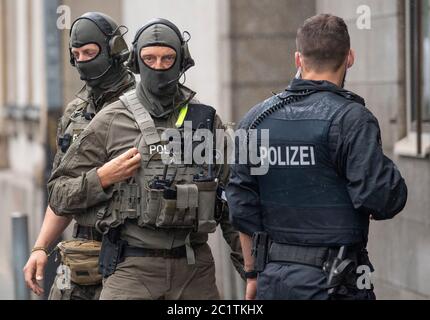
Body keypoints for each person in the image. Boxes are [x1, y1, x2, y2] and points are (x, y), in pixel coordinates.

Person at [47, 18, 243, 300]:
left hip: (194, 268)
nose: (159, 67)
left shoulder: (205, 121)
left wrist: (249, 271)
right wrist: (102, 178)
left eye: (168, 58)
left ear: (182, 61)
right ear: (137, 63)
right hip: (132, 269)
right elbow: (58, 194)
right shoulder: (111, 119)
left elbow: (234, 199)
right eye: (149, 58)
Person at [226, 14, 408, 300]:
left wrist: (252, 274)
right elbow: (381, 199)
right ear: (349, 58)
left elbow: (240, 205)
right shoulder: (353, 120)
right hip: (336, 283)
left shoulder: (256, 118)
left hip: (273, 280)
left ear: (298, 59)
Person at [23, 12, 135, 300]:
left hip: (136, 253)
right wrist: (40, 247)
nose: (83, 60)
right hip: (84, 250)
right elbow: (60, 191)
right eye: (77, 54)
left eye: (90, 52)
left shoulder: (142, 106)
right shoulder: (76, 112)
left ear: (114, 50)